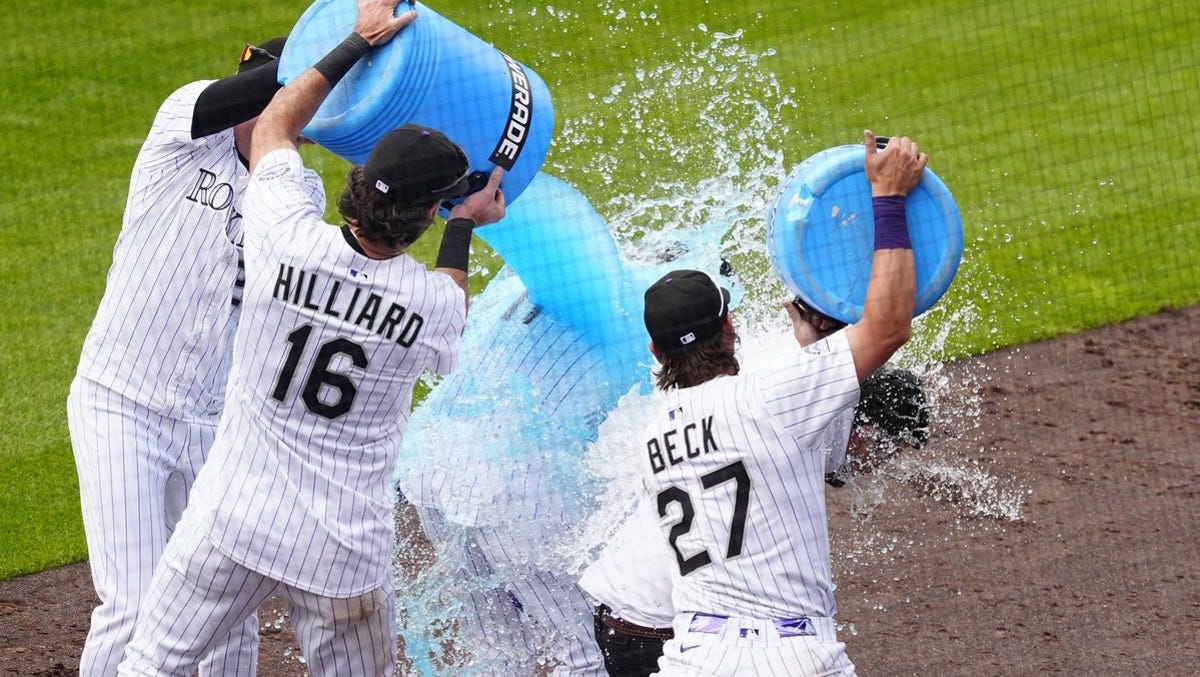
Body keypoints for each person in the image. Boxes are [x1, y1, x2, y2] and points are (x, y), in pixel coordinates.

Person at [116, 0, 507, 673]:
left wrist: (355, 42)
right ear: (423, 218)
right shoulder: (427, 304)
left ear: (357, 181)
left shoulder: (284, 235)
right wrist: (465, 221)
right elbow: (452, 297)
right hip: (340, 554)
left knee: (149, 664)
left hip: (232, 519)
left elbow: (274, 125)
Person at [625, 131, 927, 676]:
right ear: (731, 326)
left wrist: (814, 352)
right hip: (789, 657)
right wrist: (887, 197)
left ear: (655, 350)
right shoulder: (771, 398)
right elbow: (888, 326)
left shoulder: (649, 436)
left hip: (691, 659)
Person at [65, 33, 291, 677]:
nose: (249, 105)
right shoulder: (183, 128)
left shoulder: (288, 189)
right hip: (120, 404)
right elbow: (242, 96)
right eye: (254, 91)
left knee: (223, 618)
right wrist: (349, 43)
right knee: (134, 608)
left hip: (212, 430)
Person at [579, 303, 931, 676]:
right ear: (866, 434)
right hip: (658, 627)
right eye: (886, 452)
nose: (881, 466)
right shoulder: (789, 418)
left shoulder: (729, 411)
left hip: (630, 615)